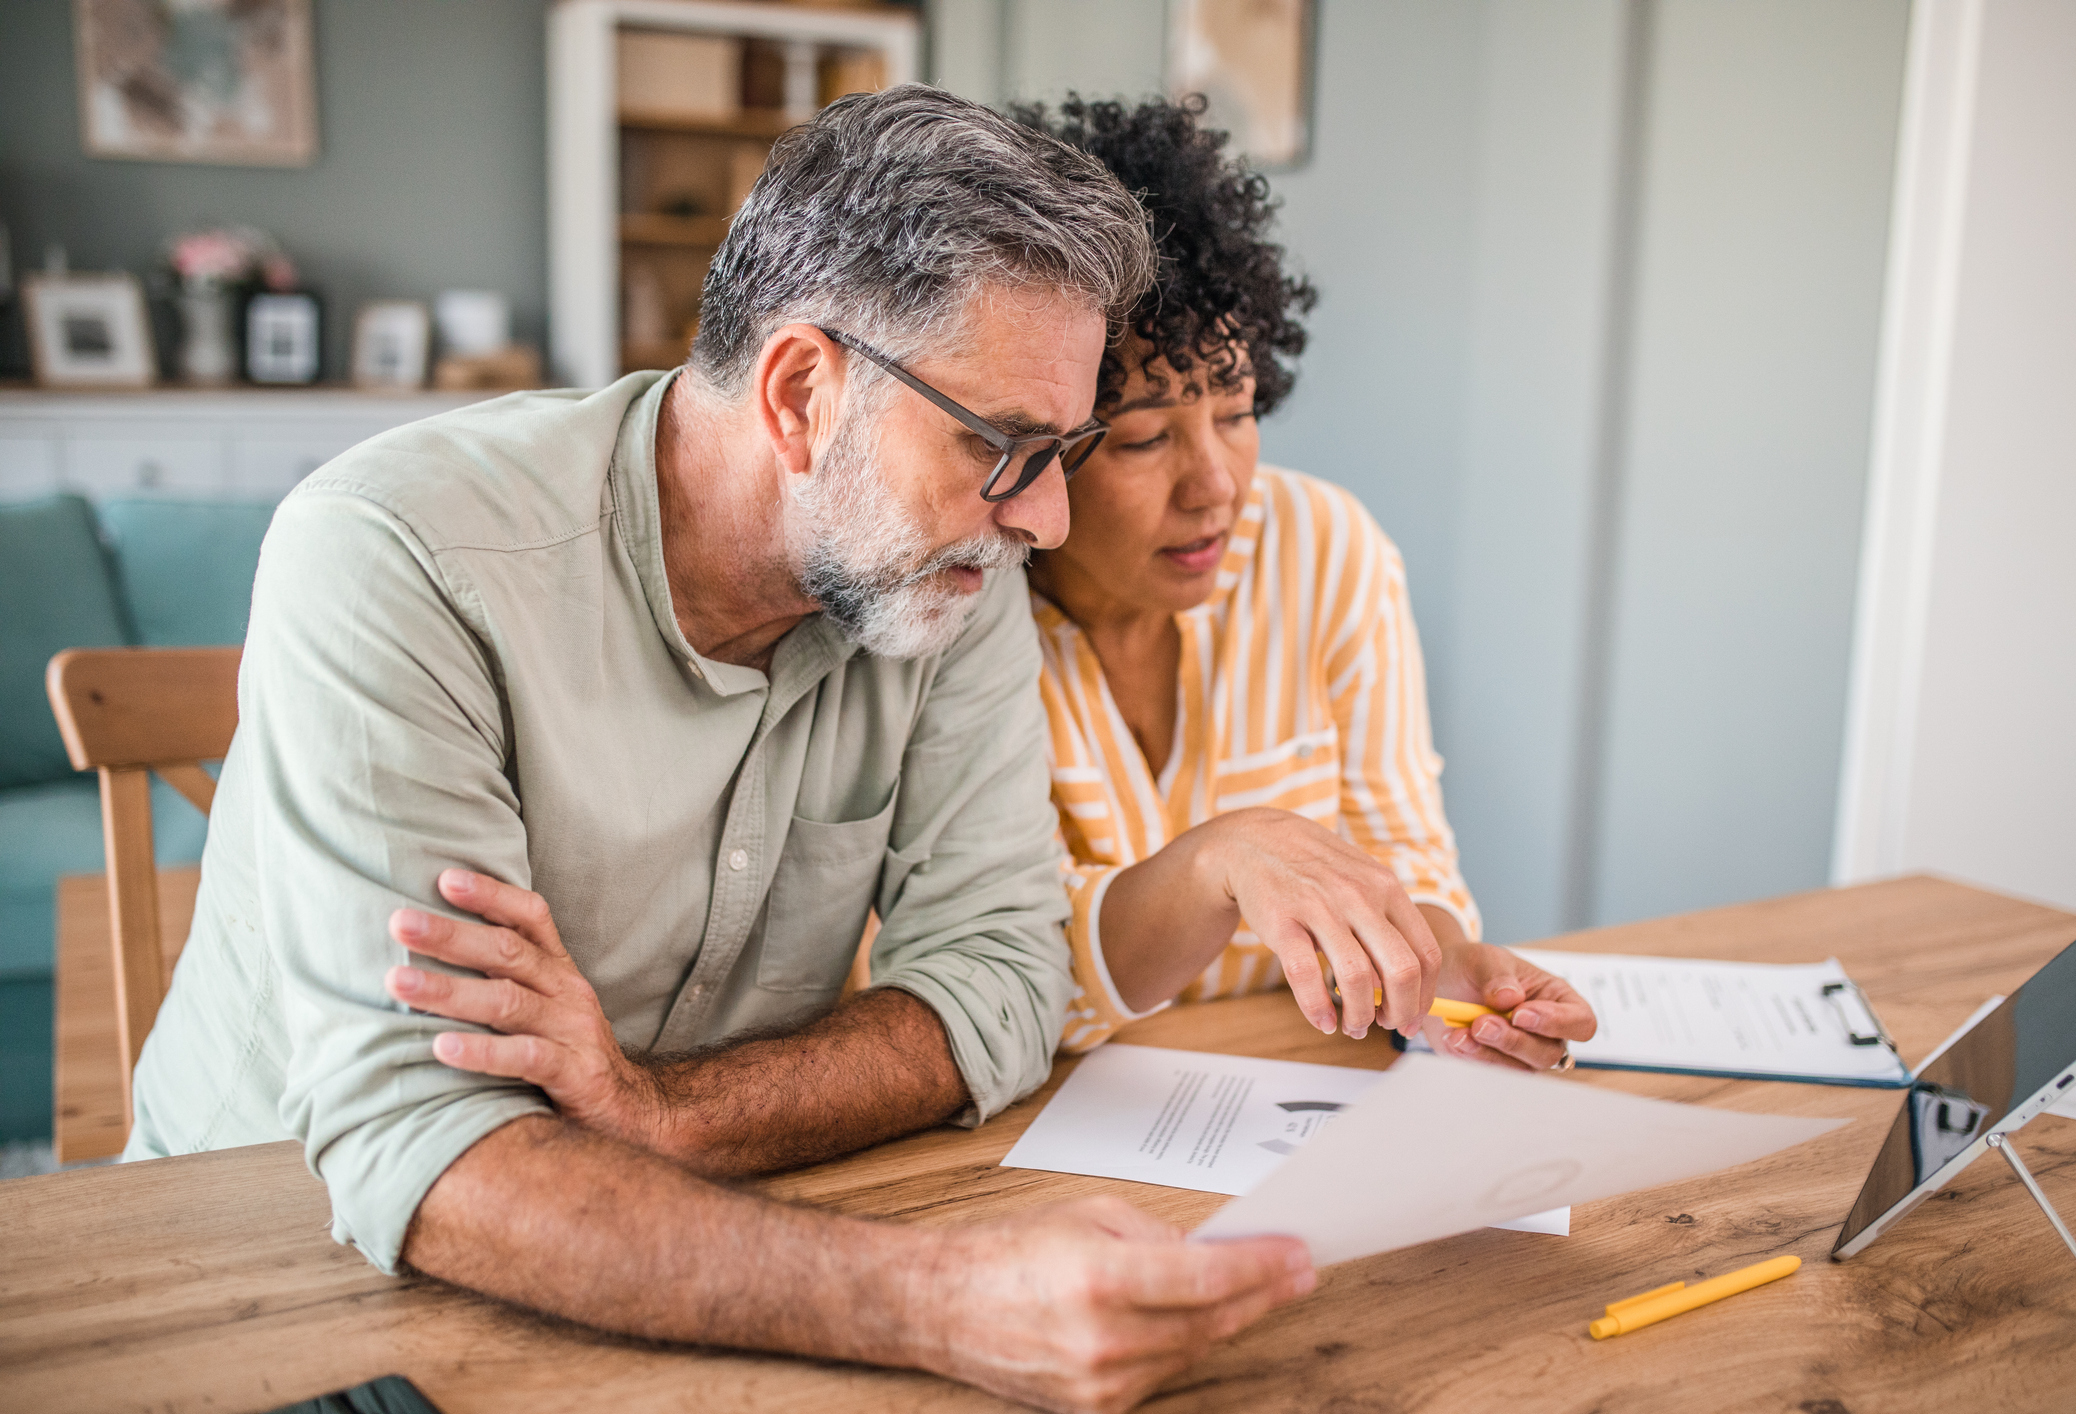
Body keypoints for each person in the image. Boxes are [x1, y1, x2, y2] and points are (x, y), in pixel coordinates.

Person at [126, 87, 1314, 1414]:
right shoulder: (397, 552)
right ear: (802, 391)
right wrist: (938, 1297)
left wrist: (662, 1113)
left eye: (1068, 449)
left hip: (710, 1242)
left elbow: (998, 980)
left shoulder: (951, 561)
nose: (1043, 514)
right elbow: (429, 1149)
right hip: (258, 1272)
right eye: (1003, 444)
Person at [1012, 96, 1597, 1064]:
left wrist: (1443, 972)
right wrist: (1214, 862)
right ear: (1045, 443)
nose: (1216, 485)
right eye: (1148, 437)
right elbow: (1002, 976)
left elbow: (1405, 853)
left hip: (1298, 1098)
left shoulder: (1324, 551)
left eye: (1237, 411)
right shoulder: (972, 622)